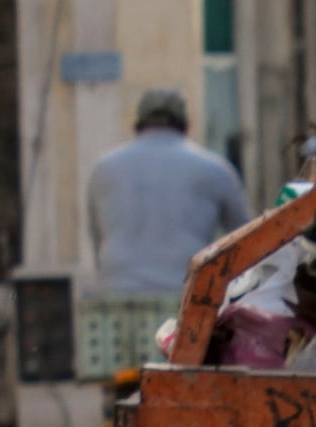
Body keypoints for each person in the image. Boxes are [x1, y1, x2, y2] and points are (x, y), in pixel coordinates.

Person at [77, 89, 253, 377]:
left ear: (139, 123)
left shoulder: (103, 169)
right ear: (185, 123)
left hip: (113, 311)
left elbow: (98, 238)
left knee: (118, 399)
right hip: (184, 306)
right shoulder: (214, 169)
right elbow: (247, 242)